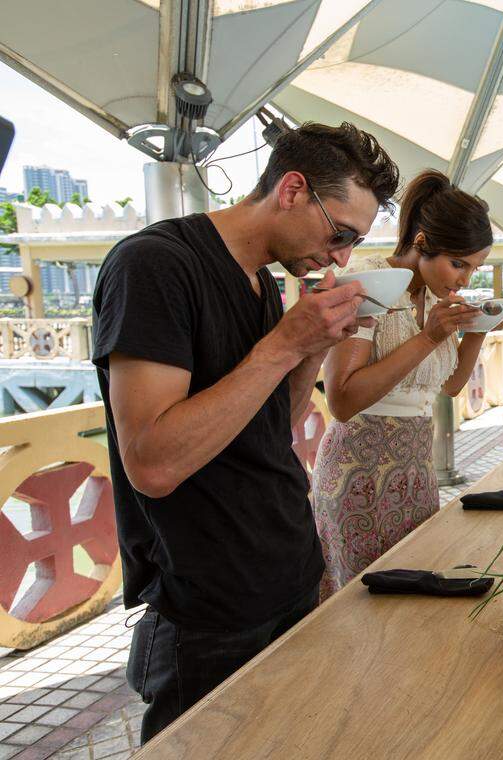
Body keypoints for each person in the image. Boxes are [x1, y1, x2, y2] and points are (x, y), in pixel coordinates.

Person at [91, 121, 399, 741]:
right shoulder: (155, 265)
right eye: (339, 234)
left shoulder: (261, 281)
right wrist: (284, 343)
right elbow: (152, 464)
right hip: (206, 608)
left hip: (286, 575)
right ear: (290, 190)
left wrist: (313, 347)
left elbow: (272, 428)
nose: (340, 256)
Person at [312, 169, 494, 599]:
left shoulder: (434, 298)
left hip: (415, 475)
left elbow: (449, 387)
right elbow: (341, 399)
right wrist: (428, 337)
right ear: (422, 242)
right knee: (361, 608)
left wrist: (480, 329)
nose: (464, 279)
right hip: (358, 474)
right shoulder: (368, 281)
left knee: (412, 600)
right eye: (459, 263)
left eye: (474, 268)